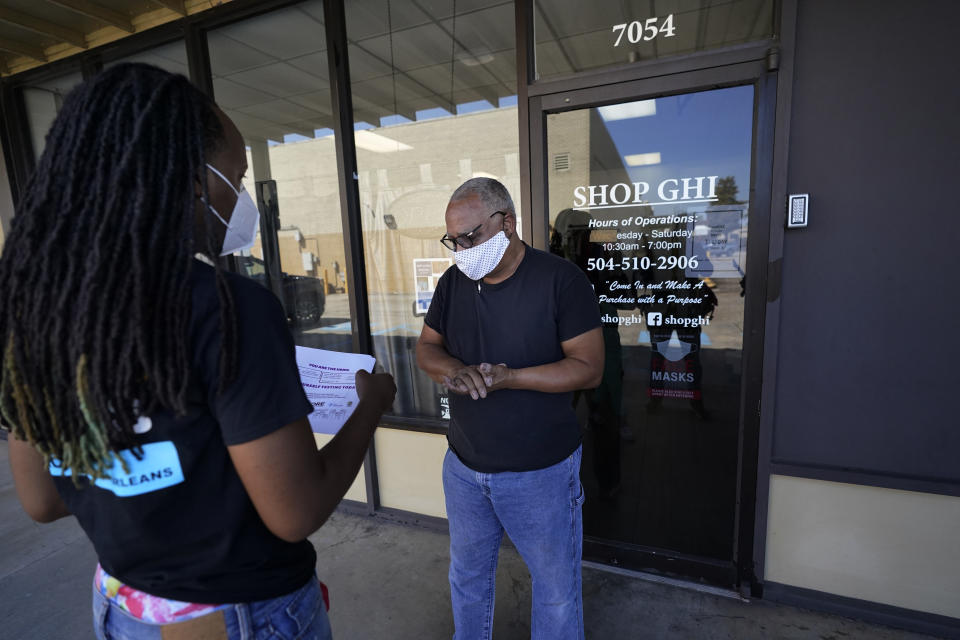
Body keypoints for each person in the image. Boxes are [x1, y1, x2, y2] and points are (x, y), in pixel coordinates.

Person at [0, 63, 396, 640]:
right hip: (236, 617)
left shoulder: (35, 308)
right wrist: (371, 407)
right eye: (233, 179)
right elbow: (295, 513)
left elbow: (40, 498)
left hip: (123, 607)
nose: (239, 199)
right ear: (187, 180)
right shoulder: (228, 311)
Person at [416, 178, 603, 639]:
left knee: (556, 590)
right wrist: (453, 370)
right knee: (467, 578)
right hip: (464, 466)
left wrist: (512, 377)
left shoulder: (560, 280)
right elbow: (426, 348)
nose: (461, 250)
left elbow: (589, 368)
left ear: (508, 224)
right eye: (452, 240)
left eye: (470, 237)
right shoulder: (454, 282)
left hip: (541, 473)